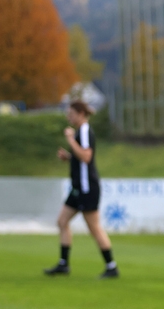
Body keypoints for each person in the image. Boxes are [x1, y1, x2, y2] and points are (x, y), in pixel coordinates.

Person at [44, 101, 119, 279]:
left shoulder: (84, 130)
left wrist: (70, 139)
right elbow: (81, 157)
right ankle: (63, 264)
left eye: (70, 113)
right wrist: (69, 157)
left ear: (79, 113)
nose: (68, 117)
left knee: (94, 227)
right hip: (78, 187)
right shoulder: (80, 131)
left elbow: (86, 156)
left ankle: (112, 266)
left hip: (87, 188)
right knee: (62, 221)